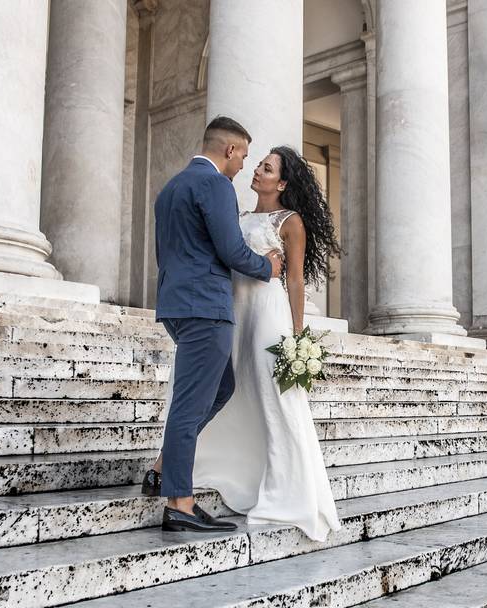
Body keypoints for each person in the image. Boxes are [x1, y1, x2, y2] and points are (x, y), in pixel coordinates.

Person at [145, 145, 342, 542]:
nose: (257, 171)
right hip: (230, 310)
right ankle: (175, 464)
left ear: (282, 183)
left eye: (267, 168)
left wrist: (298, 335)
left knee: (273, 398)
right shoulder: (235, 213)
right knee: (222, 392)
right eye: (257, 164)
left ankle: (288, 489)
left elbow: (297, 281)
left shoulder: (291, 222)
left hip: (267, 316)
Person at [149, 116, 283, 533]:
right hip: (205, 307)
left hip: (176, 303)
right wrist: (268, 267)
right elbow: (230, 250)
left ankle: (167, 469)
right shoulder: (215, 185)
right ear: (229, 150)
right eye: (243, 155)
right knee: (190, 405)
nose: (243, 165)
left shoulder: (171, 187)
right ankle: (180, 504)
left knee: (221, 387)